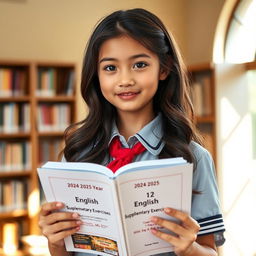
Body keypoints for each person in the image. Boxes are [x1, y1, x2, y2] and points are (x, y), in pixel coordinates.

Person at [38, 8, 225, 256]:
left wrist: (189, 248)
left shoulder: (193, 157)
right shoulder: (75, 156)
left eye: (139, 64)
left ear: (164, 68)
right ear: (96, 75)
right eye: (110, 68)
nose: (125, 79)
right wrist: (55, 243)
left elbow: (211, 251)